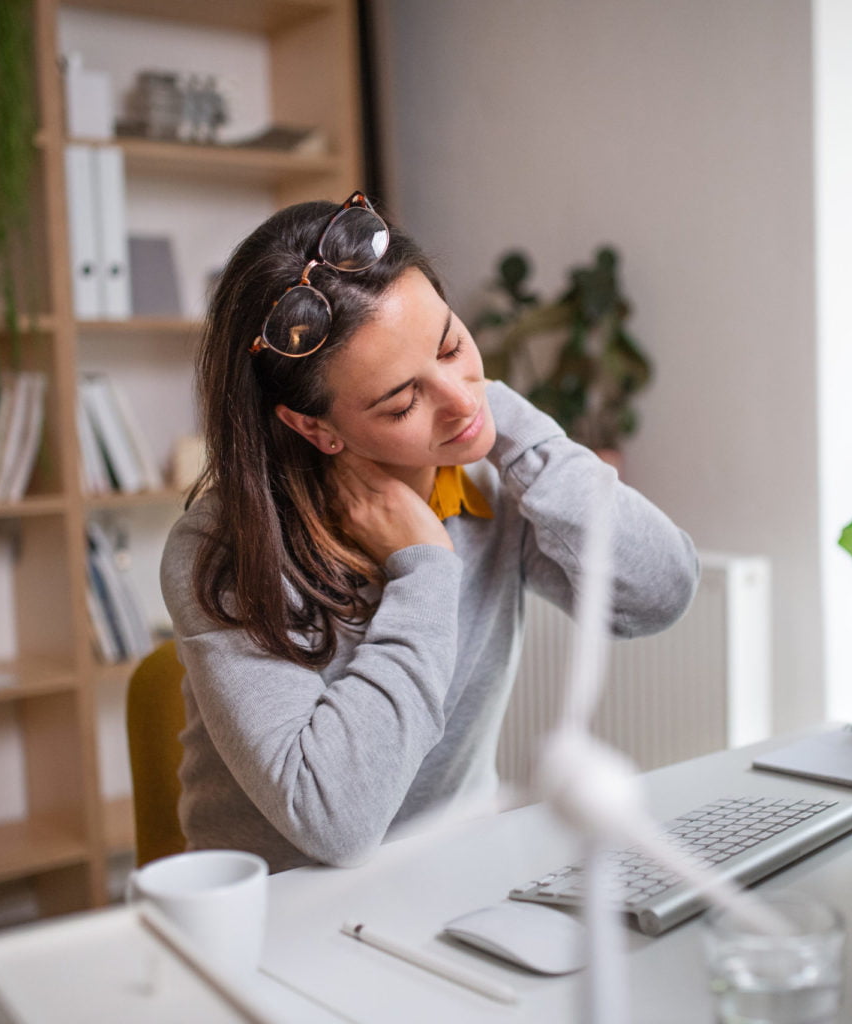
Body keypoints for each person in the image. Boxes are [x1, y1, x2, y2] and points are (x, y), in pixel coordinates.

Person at [160, 192, 699, 872]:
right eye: (402, 400)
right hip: (283, 911)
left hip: (455, 875)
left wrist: (509, 426)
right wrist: (425, 568)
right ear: (314, 426)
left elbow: (662, 593)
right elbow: (337, 822)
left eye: (451, 343)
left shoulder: (484, 473)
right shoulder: (226, 550)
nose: (458, 399)